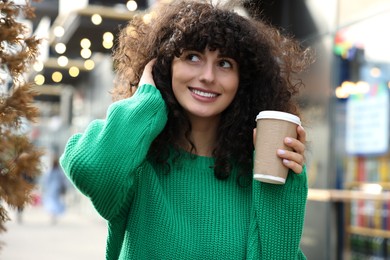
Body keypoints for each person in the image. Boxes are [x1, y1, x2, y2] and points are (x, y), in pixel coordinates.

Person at [60, 0, 314, 259]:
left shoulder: (258, 173)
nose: (208, 76)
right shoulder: (138, 164)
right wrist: (145, 103)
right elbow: (89, 169)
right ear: (164, 67)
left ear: (244, 81)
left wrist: (280, 185)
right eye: (192, 57)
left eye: (224, 63)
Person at [41, 156, 68, 224]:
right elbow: (63, 180)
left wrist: (44, 188)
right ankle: (54, 215)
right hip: (57, 189)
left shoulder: (50, 171)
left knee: (51, 201)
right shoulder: (59, 171)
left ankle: (52, 214)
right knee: (55, 201)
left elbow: (46, 180)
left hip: (51, 189)